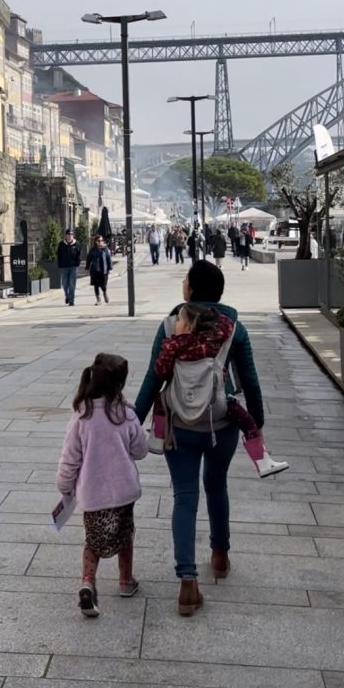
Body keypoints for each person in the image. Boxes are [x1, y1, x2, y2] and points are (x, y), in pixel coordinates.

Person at [134, 260, 264, 616]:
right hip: (221, 421)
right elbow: (249, 378)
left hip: (180, 426)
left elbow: (152, 379)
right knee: (217, 485)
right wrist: (258, 419)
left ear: (190, 288)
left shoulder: (170, 324)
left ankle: (187, 582)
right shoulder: (234, 327)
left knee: (185, 497)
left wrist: (132, 421)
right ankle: (220, 555)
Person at [56, 353, 148, 617]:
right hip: (123, 493)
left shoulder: (81, 416)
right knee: (125, 535)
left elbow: (69, 458)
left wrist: (64, 486)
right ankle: (125, 581)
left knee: (93, 542)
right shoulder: (126, 413)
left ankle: (88, 583)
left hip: (93, 495)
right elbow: (140, 450)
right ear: (119, 384)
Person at [155, 304, 288, 478]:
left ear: (189, 326)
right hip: (215, 405)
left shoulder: (172, 347)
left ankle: (157, 437)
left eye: (179, 319)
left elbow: (160, 372)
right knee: (247, 422)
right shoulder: (213, 344)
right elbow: (228, 370)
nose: (175, 322)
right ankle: (263, 461)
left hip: (178, 405)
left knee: (161, 398)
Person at [57, 228, 81, 306]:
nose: (70, 236)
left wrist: (77, 263)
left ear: (73, 235)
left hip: (73, 267)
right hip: (64, 267)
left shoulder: (77, 244)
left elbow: (79, 255)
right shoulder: (61, 244)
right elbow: (59, 255)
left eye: (71, 234)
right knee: (64, 283)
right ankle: (67, 296)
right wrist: (59, 264)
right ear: (65, 236)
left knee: (72, 283)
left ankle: (71, 300)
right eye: (68, 234)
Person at [85, 234, 112, 304]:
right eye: (99, 241)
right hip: (95, 270)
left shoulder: (106, 249)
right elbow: (88, 259)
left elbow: (109, 259)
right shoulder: (93, 250)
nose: (100, 242)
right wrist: (87, 267)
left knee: (103, 285)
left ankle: (105, 293)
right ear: (95, 242)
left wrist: (110, 268)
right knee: (96, 285)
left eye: (102, 240)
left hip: (104, 271)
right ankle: (98, 299)